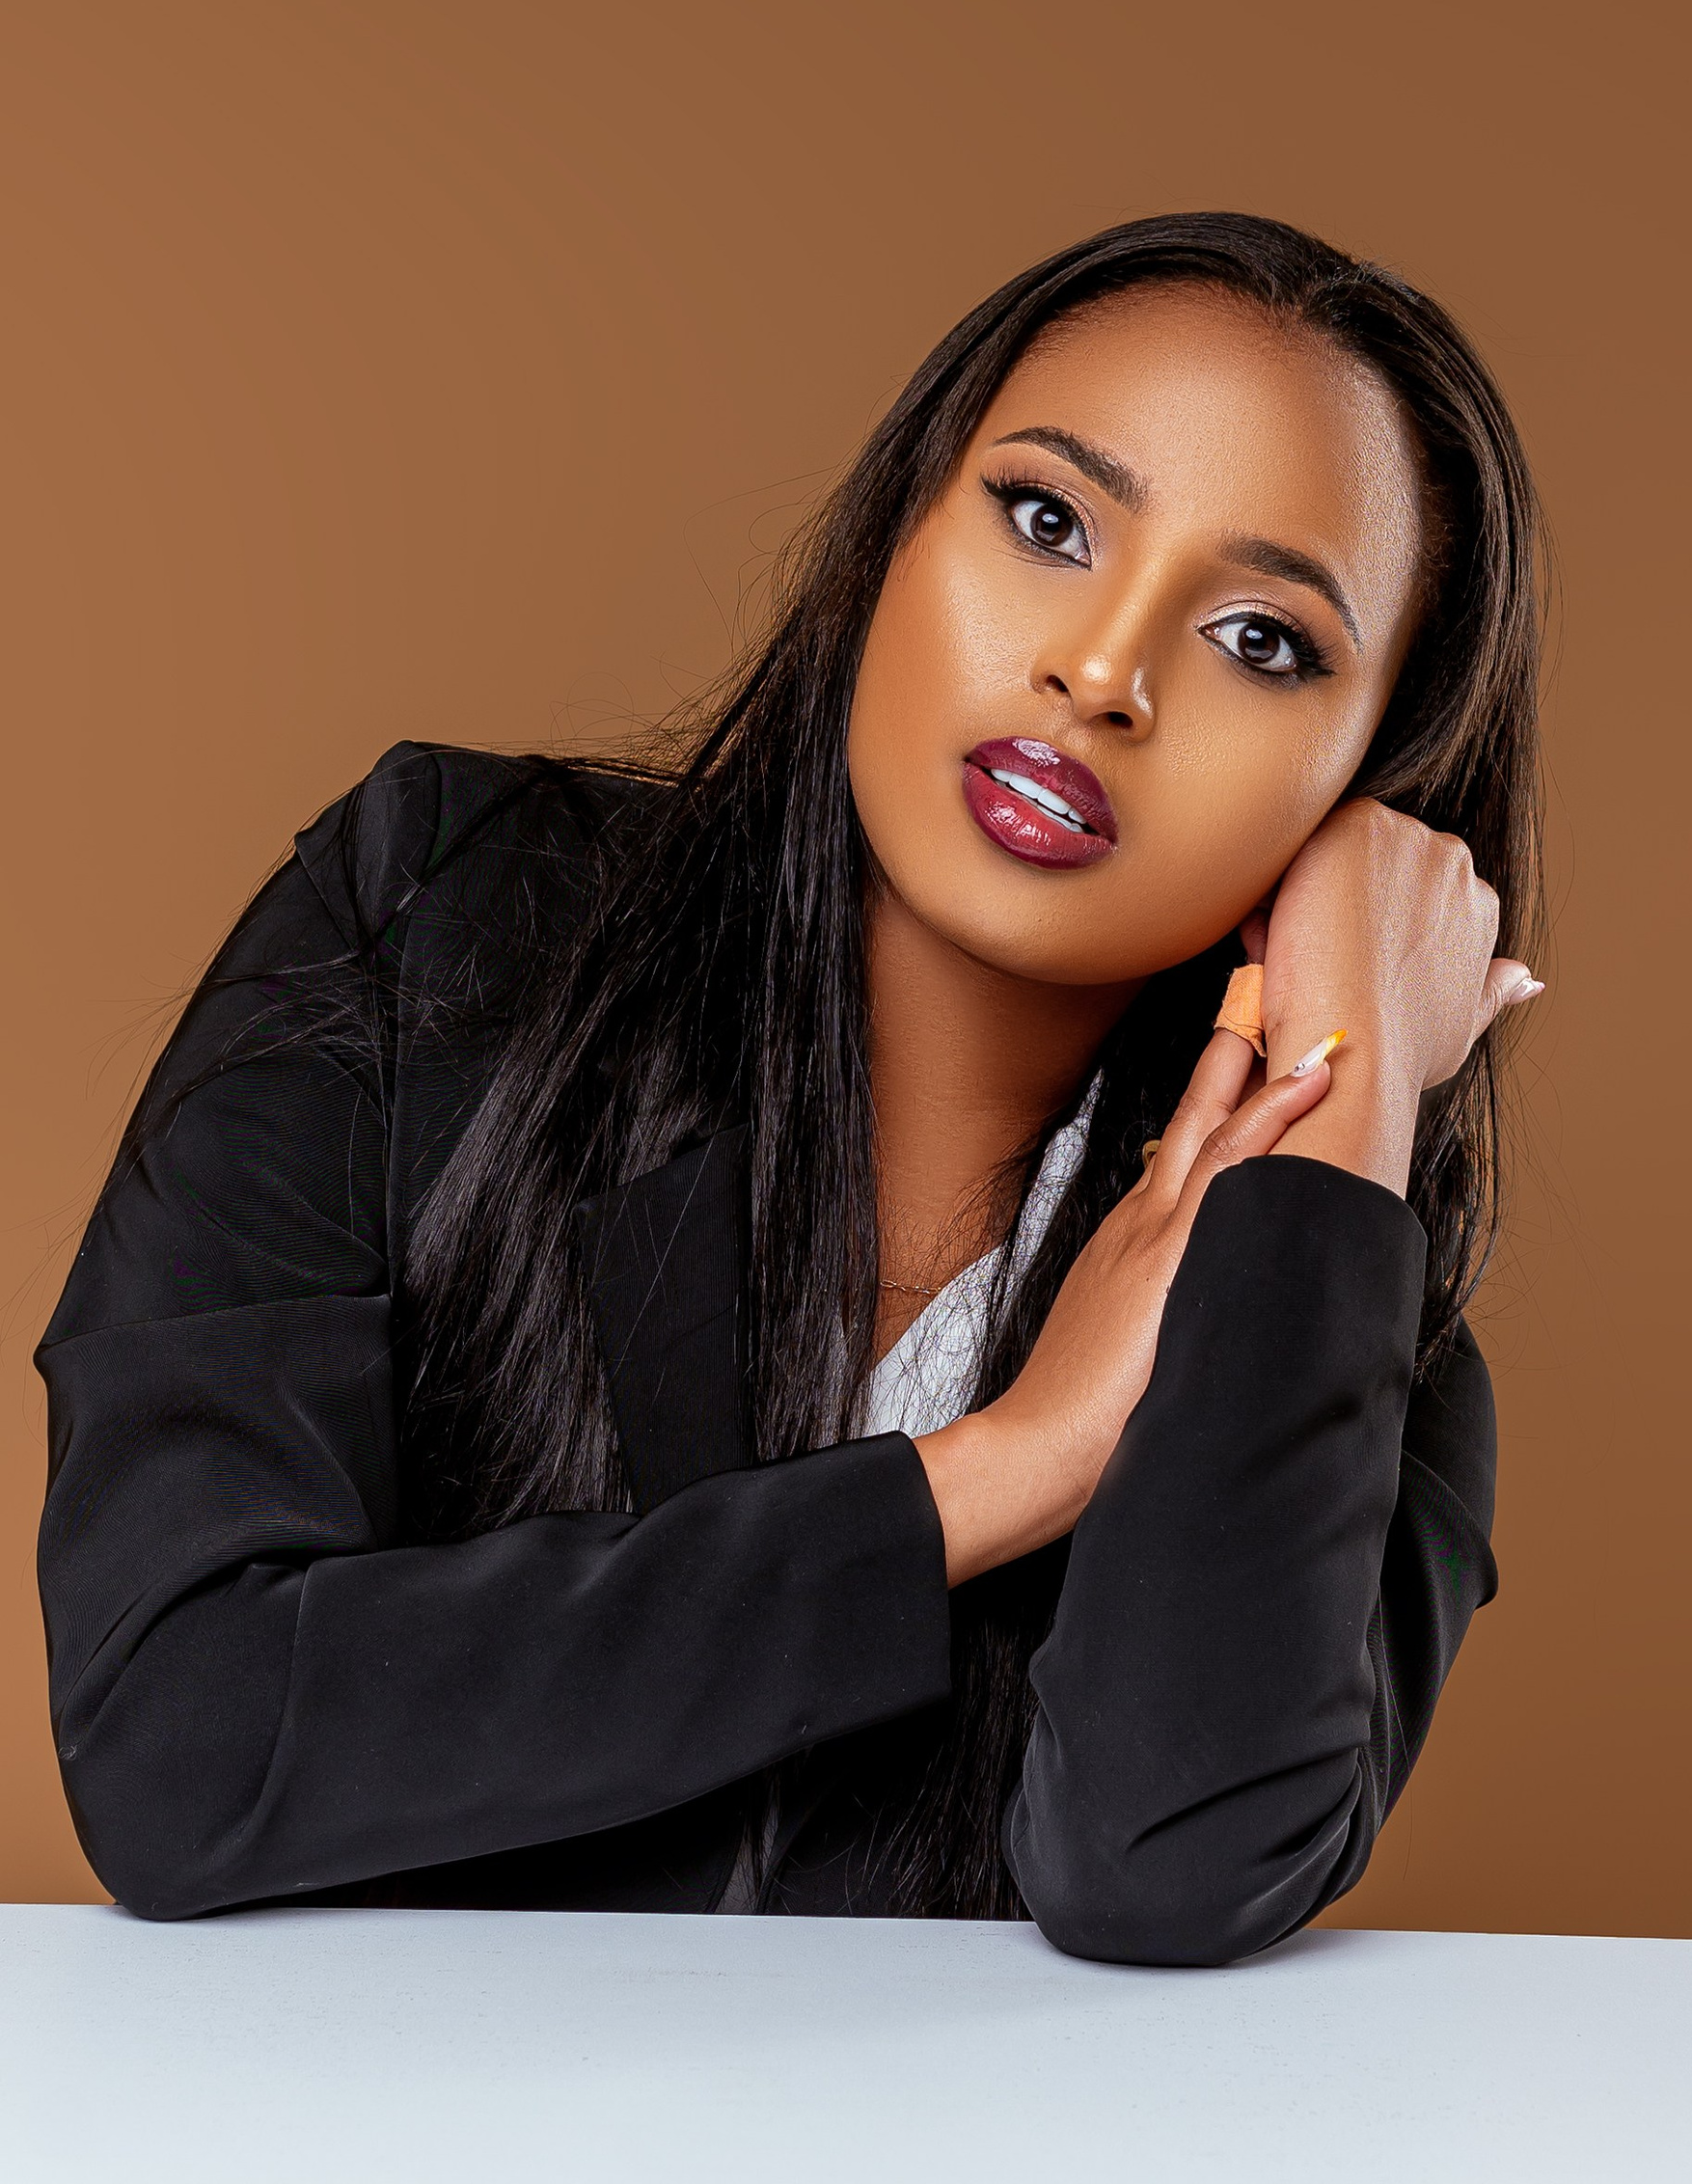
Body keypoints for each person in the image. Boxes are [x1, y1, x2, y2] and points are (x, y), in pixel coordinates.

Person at [37, 210, 1545, 1962]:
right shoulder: (443, 920)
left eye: (1264, 642)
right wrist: (1006, 1469)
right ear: (894, 531)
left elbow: (1165, 1873)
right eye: (1049, 521)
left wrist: (1344, 1109)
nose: (1103, 673)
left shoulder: (1349, 1356)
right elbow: (181, 1739)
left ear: (1372, 781)